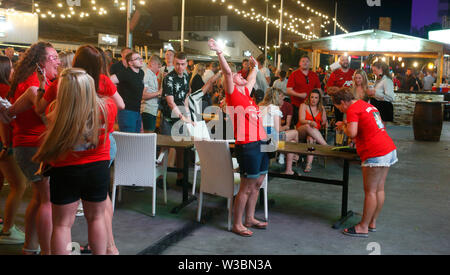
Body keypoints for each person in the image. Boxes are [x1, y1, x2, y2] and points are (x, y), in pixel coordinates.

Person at [33, 68, 117, 254]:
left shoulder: (54, 111)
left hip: (64, 169)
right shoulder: (108, 107)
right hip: (97, 168)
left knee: (62, 225)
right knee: (96, 218)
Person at [209, 38, 268, 237]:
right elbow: (227, 72)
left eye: (239, 75)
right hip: (248, 145)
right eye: (236, 75)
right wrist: (219, 52)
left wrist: (255, 65)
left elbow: (253, 74)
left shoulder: (247, 94)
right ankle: (237, 223)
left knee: (258, 182)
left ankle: (250, 218)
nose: (238, 75)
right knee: (246, 186)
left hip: (261, 142)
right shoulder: (233, 94)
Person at [7, 41, 60, 255]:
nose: (58, 61)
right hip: (33, 145)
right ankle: (47, 251)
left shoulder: (39, 80)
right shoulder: (35, 83)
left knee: (40, 199)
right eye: (53, 58)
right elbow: (45, 116)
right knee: (48, 201)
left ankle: (30, 247)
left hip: (28, 144)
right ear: (40, 62)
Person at [331, 88, 397, 238]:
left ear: (342, 102)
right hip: (387, 147)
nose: (341, 110)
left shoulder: (352, 109)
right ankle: (372, 222)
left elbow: (352, 133)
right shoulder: (365, 104)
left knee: (370, 191)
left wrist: (343, 126)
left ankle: (363, 227)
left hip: (375, 152)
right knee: (379, 189)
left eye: (339, 107)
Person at [0, 55, 27, 245]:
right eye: (10, 68)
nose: (13, 72)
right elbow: (5, 122)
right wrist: (6, 145)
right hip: (5, 145)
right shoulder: (4, 90)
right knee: (19, 185)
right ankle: (8, 230)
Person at [160, 51, 193, 186]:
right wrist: (181, 116)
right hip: (169, 117)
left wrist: (188, 115)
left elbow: (186, 97)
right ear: (174, 63)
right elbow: (170, 102)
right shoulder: (169, 78)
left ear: (187, 64)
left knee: (182, 148)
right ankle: (161, 178)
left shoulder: (185, 77)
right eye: (177, 64)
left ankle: (180, 177)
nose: (180, 67)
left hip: (181, 117)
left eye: (182, 64)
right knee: (165, 147)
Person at [260, 87, 299, 175]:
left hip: (262, 140)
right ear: (276, 98)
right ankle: (296, 155)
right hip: (272, 142)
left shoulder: (261, 106)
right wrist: (286, 127)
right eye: (282, 98)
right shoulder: (275, 108)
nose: (283, 100)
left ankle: (289, 170)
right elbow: (278, 129)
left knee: (291, 142)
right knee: (295, 132)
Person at [111, 51, 145, 133]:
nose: (141, 60)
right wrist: (115, 95)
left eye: (141, 58)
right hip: (126, 112)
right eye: (137, 59)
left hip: (137, 111)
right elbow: (109, 81)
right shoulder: (125, 73)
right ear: (130, 63)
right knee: (128, 141)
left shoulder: (141, 73)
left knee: (136, 140)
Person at [296, 89, 328, 173]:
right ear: (309, 98)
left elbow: (324, 121)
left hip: (314, 133)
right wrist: (310, 122)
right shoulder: (303, 105)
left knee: (311, 138)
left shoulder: (321, 108)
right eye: (312, 97)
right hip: (302, 130)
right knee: (307, 126)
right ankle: (325, 145)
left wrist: (326, 123)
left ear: (319, 99)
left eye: (316, 98)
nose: (313, 99)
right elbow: (301, 120)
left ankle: (308, 164)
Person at [286, 55, 321, 129]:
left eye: (307, 61)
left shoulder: (314, 75)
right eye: (303, 61)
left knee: (311, 126)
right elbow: (288, 90)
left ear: (310, 64)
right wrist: (299, 95)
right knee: (298, 126)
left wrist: (319, 100)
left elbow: (319, 89)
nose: (305, 63)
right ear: (300, 63)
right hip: (297, 105)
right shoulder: (294, 74)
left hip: (311, 107)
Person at [326, 55, 355, 123]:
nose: (345, 62)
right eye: (343, 60)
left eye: (346, 60)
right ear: (339, 62)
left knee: (351, 122)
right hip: (339, 104)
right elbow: (328, 90)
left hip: (351, 103)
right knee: (339, 123)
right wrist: (340, 90)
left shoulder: (353, 73)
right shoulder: (335, 74)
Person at [141, 55, 162, 133]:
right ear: (152, 64)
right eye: (158, 66)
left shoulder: (152, 75)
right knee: (148, 135)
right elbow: (143, 95)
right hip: (147, 110)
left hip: (152, 110)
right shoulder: (147, 74)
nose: (159, 69)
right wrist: (158, 92)